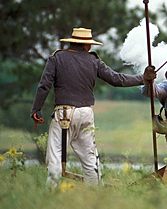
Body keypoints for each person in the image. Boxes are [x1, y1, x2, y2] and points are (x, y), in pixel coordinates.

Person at [31, 28, 149, 187]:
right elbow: (117, 79)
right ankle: (94, 193)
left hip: (64, 113)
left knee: (55, 157)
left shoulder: (57, 57)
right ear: (86, 45)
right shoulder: (94, 61)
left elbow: (44, 86)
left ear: (72, 42)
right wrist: (143, 79)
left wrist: (36, 109)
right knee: (90, 159)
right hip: (86, 113)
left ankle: (52, 192)